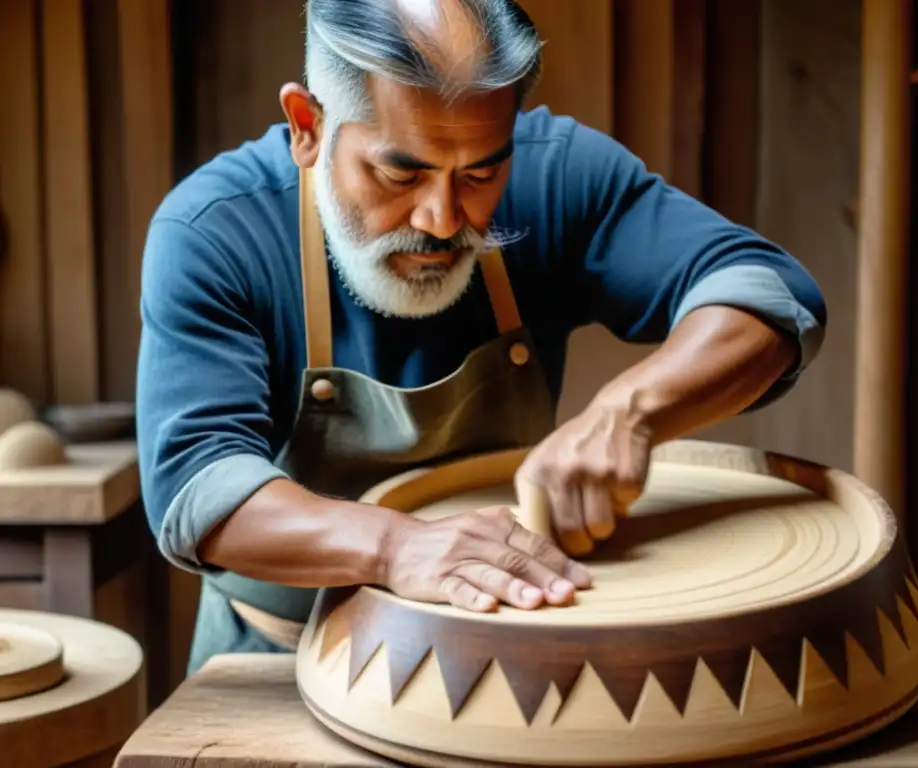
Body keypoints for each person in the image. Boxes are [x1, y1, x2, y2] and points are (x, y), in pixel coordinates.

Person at [136, 0, 827, 675]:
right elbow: (198, 487)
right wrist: (395, 548)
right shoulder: (214, 233)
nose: (442, 218)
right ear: (307, 125)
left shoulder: (554, 172)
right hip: (277, 659)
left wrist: (636, 411)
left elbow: (771, 295)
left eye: (481, 172)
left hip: (511, 662)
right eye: (400, 173)